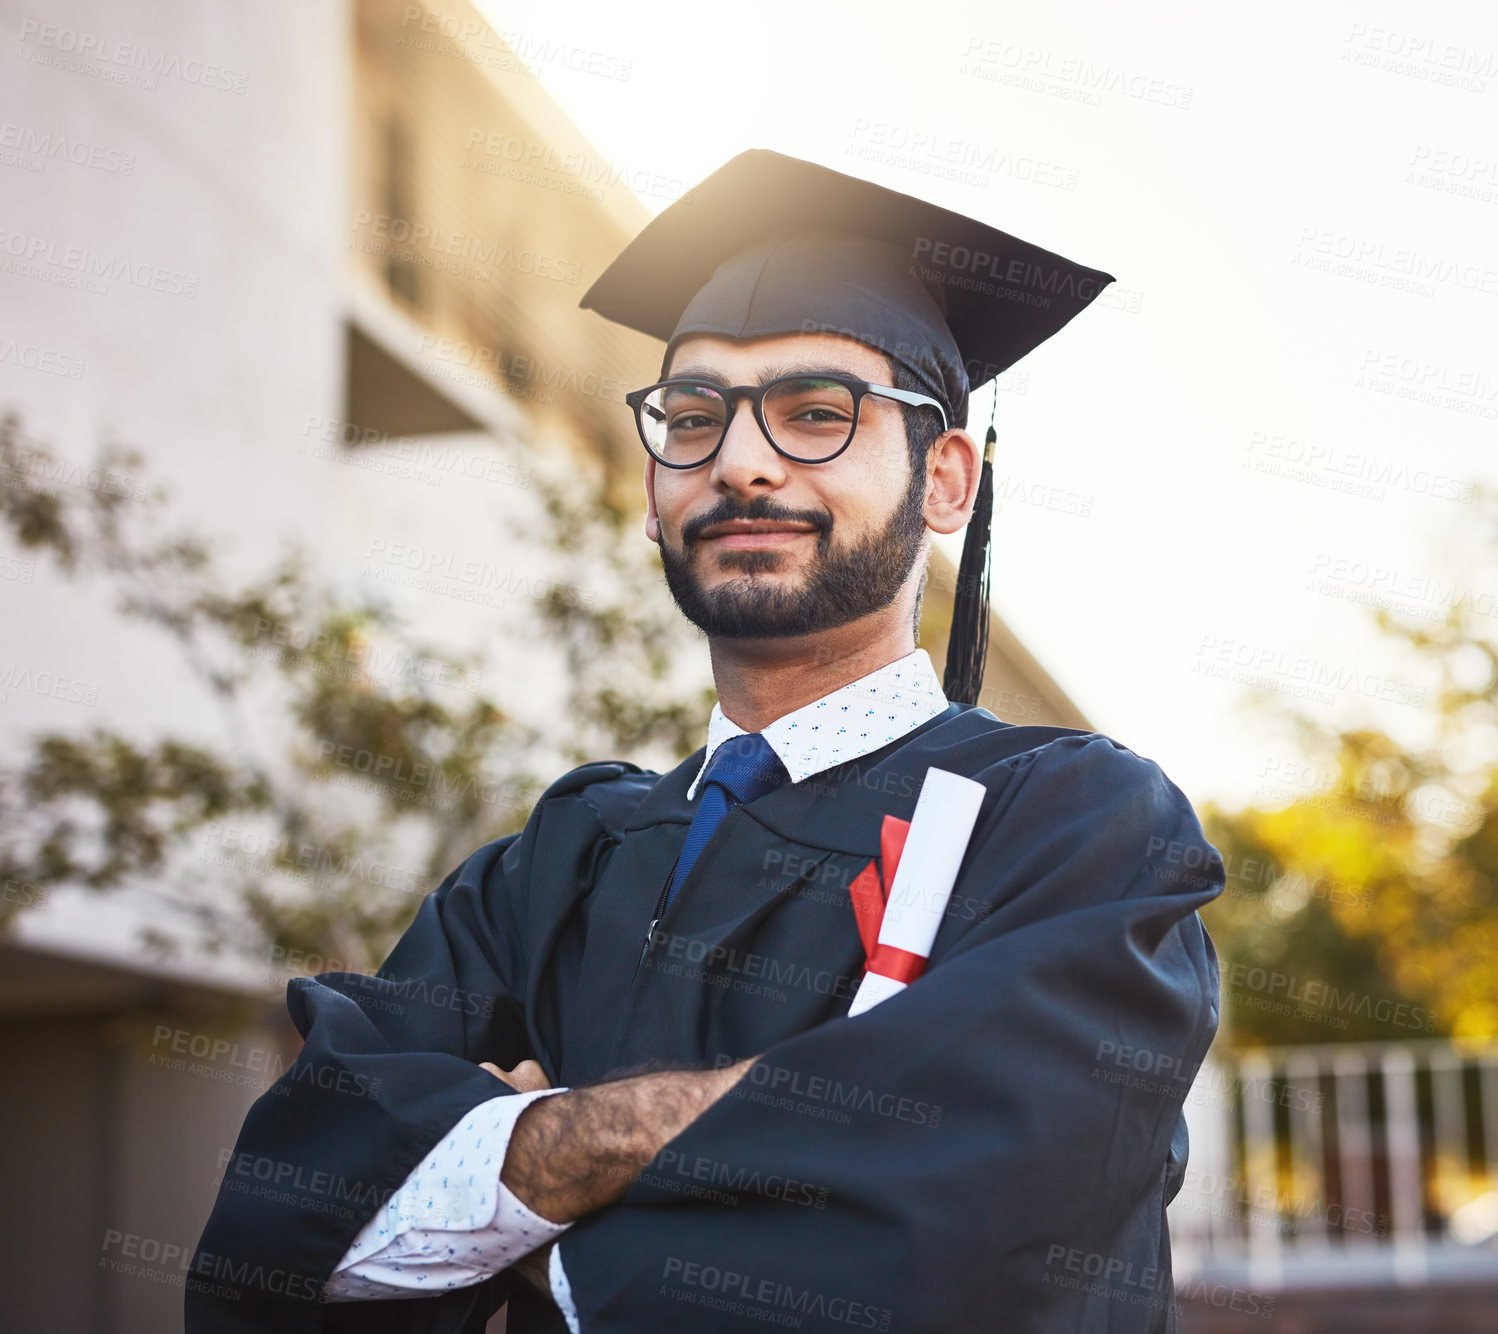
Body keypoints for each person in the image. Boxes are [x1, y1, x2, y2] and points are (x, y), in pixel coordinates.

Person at [187, 149, 1223, 1334]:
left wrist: (516, 1173)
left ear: (946, 481)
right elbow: (293, 1207)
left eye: (816, 413)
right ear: (650, 487)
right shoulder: (565, 854)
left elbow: (987, 1231)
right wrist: (791, 1117)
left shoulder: (1069, 828)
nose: (739, 458)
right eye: (691, 417)